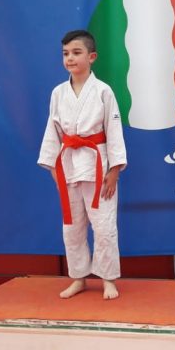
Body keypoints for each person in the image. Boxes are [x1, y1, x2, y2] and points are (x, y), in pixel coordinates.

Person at [38, 30, 127, 300]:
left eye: (76, 53)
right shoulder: (58, 93)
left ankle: (108, 279)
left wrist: (114, 171)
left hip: (97, 164)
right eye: (65, 53)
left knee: (104, 226)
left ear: (92, 57)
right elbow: (52, 131)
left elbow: (113, 130)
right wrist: (54, 169)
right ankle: (78, 277)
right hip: (68, 165)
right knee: (72, 227)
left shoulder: (103, 91)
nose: (70, 58)